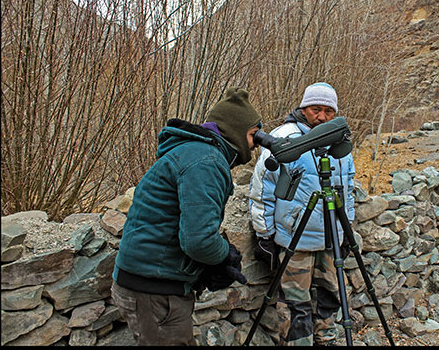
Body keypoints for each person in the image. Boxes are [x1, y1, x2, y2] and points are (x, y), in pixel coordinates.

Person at [111, 87, 262, 345]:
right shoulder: (206, 161)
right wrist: (224, 255)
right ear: (236, 131)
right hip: (155, 290)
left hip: (151, 283)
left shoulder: (195, 152)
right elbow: (199, 240)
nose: (256, 144)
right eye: (253, 134)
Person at [249, 82, 356, 346]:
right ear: (304, 108)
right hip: (296, 237)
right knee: (295, 303)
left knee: (331, 297)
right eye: (315, 109)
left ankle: (326, 340)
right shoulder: (285, 138)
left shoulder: (339, 141)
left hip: (331, 237)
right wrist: (264, 234)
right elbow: (263, 188)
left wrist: (346, 229)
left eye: (328, 111)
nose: (322, 116)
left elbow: (348, 187)